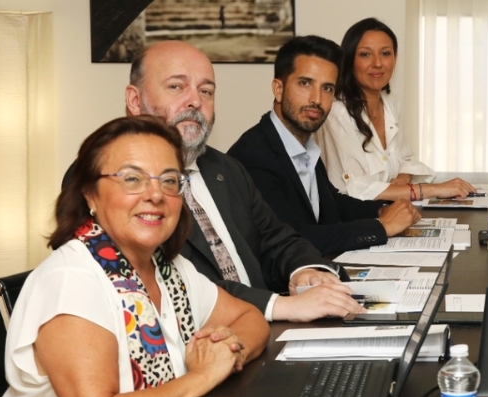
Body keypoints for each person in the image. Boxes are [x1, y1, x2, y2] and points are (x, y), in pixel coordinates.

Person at [0, 116, 269, 397]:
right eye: (132, 179)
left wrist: (225, 347)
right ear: (90, 193)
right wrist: (202, 377)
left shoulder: (170, 269)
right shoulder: (72, 279)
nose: (155, 194)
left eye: (169, 180)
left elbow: (250, 317)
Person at [124, 40, 364, 321]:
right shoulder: (111, 180)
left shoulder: (224, 167)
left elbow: (277, 238)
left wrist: (306, 271)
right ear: (135, 100)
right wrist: (278, 306)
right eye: (176, 86)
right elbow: (169, 284)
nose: (195, 101)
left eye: (206, 91)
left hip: (263, 333)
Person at [228, 36, 422, 258]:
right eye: (305, 83)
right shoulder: (254, 156)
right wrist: (382, 227)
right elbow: (291, 238)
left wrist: (381, 210)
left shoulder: (303, 143)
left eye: (327, 88)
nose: (317, 99)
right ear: (278, 89)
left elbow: (331, 203)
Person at [318, 17, 474, 201]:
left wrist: (404, 178)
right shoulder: (336, 112)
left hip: (392, 211)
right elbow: (355, 187)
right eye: (365, 54)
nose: (377, 63)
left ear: (395, 58)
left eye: (385, 53)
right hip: (353, 221)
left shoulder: (390, 103)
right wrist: (429, 190)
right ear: (350, 59)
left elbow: (405, 159)